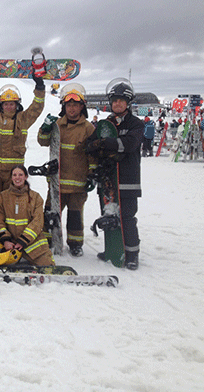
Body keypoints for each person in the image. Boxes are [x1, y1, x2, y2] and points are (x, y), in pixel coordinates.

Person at [85, 78, 144, 270]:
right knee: (109, 216)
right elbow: (89, 145)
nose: (117, 104)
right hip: (108, 180)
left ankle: (132, 254)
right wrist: (93, 146)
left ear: (128, 103)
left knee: (126, 217)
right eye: (114, 100)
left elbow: (130, 144)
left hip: (127, 180)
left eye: (121, 100)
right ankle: (112, 249)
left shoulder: (136, 124)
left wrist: (107, 144)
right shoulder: (104, 124)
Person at [37, 84, 97, 257]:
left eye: (75, 105)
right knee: (49, 212)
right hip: (57, 181)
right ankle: (47, 239)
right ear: (64, 107)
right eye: (69, 105)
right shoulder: (57, 125)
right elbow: (43, 141)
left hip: (78, 182)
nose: (72, 108)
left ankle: (75, 244)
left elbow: (92, 155)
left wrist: (92, 174)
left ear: (81, 107)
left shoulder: (88, 128)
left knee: (75, 216)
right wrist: (45, 128)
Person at [0, 75, 45, 192]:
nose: (9, 107)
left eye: (11, 104)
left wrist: (40, 86)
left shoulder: (24, 119)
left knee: (11, 200)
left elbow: (36, 107)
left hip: (14, 171)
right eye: (6, 104)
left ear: (17, 104)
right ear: (1, 105)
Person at [0, 165, 55, 266]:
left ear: (26, 177)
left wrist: (23, 240)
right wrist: (5, 240)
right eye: (14, 175)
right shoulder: (2, 197)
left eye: (21, 175)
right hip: (10, 243)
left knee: (47, 265)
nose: (17, 178)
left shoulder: (35, 197)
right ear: (11, 177)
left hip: (31, 243)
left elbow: (37, 222)